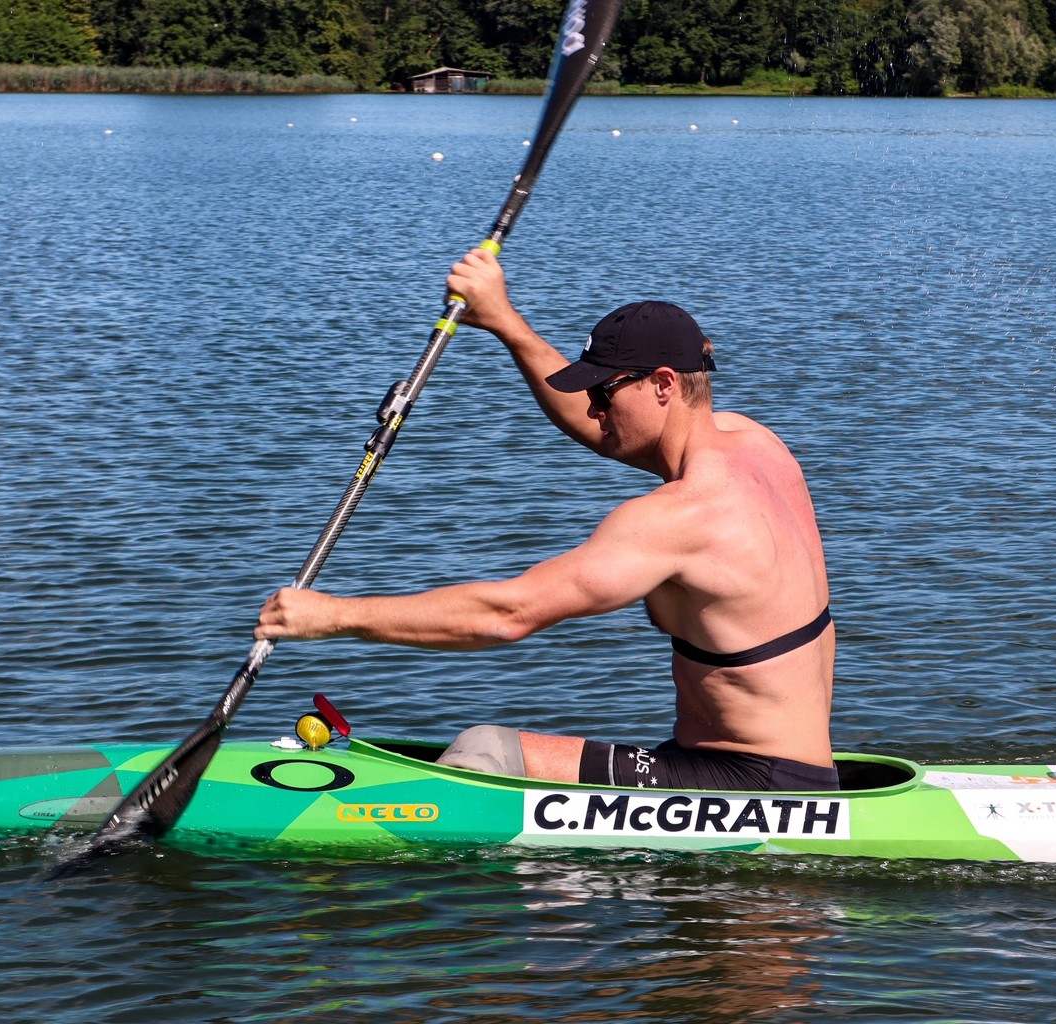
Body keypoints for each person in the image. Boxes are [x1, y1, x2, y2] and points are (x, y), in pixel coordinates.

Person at [255, 247, 837, 792]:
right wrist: (504, 320)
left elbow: (508, 615)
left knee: (485, 751)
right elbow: (600, 432)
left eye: (604, 393)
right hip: (771, 766)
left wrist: (331, 616)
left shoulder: (679, 518)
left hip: (753, 784)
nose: (593, 410)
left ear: (662, 383)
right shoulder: (757, 446)